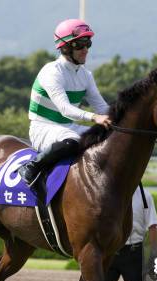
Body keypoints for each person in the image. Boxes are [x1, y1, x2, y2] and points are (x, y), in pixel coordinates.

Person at [18, 18, 112, 187]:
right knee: (75, 140)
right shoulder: (52, 72)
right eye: (80, 45)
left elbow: (102, 107)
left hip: (67, 127)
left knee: (107, 137)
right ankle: (31, 167)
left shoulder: (85, 75)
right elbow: (65, 109)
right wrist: (94, 117)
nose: (85, 50)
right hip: (43, 128)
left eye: (88, 44)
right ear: (66, 47)